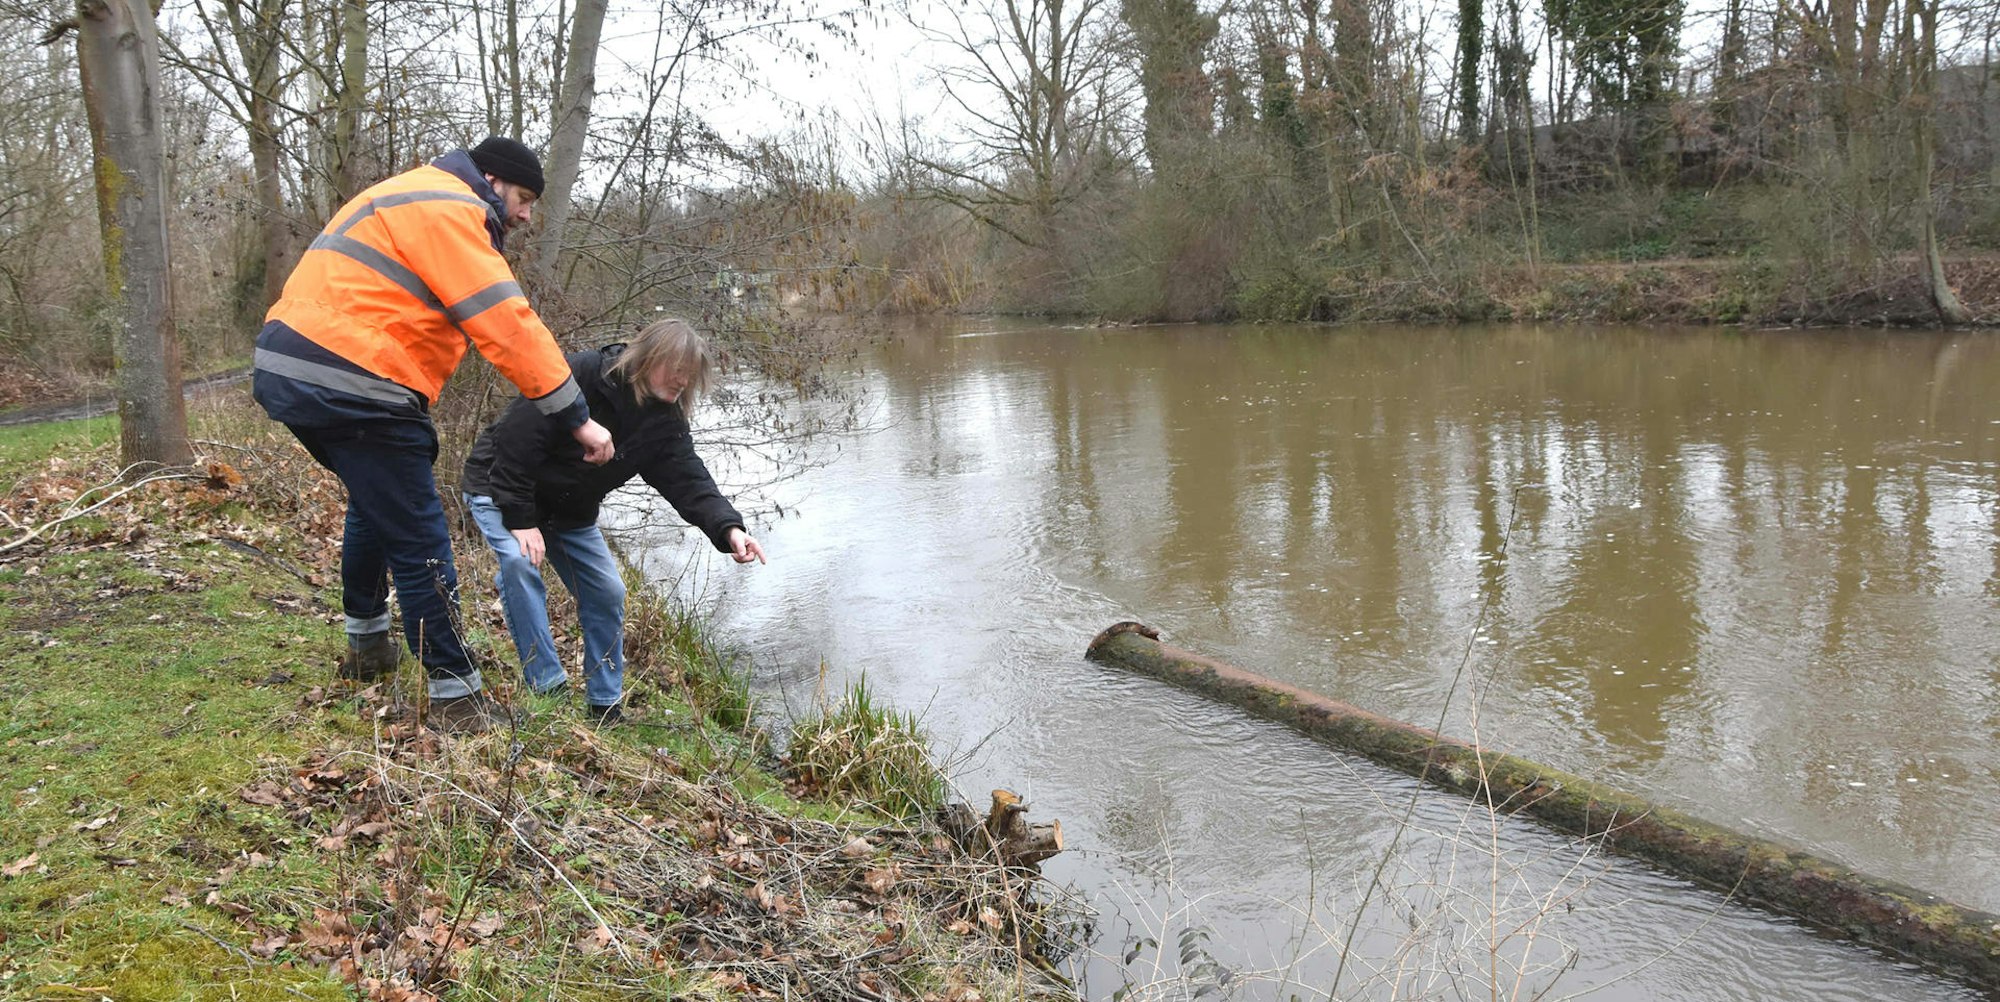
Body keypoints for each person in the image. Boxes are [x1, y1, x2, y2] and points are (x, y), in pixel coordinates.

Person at [251, 136, 615, 734]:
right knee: (421, 537)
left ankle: (368, 644)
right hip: (356, 379)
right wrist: (576, 415)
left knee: (376, 506)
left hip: (294, 371)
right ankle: (457, 697)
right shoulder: (451, 209)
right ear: (492, 180)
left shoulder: (407, 193)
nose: (525, 215)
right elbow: (506, 323)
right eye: (524, 198)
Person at [460, 318, 765, 725]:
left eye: (689, 376)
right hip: (502, 488)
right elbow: (515, 440)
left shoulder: (664, 421)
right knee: (519, 565)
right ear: (649, 357)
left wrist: (729, 529)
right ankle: (546, 687)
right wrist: (520, 518)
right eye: (676, 368)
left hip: (569, 509)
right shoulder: (583, 374)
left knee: (607, 591)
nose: (681, 380)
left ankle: (604, 706)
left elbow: (688, 479)